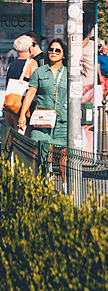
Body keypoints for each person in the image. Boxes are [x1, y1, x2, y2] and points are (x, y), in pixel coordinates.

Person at [18, 39, 68, 193]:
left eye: (57, 50)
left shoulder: (69, 73)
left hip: (62, 120)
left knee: (64, 155)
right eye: (51, 50)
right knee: (44, 152)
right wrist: (22, 115)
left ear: (63, 54)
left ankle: (65, 185)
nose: (53, 52)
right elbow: (30, 93)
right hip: (42, 120)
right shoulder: (39, 72)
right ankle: (46, 182)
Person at [2, 34, 33, 128]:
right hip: (21, 106)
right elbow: (34, 86)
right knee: (23, 133)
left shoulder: (11, 65)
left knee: (12, 134)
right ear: (29, 48)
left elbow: (7, 85)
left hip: (9, 106)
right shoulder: (31, 63)